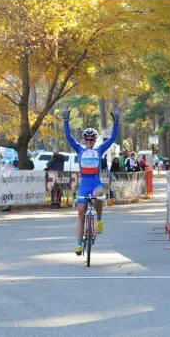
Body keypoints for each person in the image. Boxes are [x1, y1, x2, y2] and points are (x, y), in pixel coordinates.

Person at [64, 107, 119, 256]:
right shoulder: (79, 149)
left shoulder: (99, 149)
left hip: (95, 183)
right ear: (84, 140)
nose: (89, 141)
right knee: (81, 214)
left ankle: (99, 218)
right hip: (84, 185)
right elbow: (68, 137)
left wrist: (116, 123)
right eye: (86, 139)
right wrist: (65, 121)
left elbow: (112, 138)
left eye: (91, 139)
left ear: (95, 140)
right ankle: (78, 244)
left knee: (99, 193)